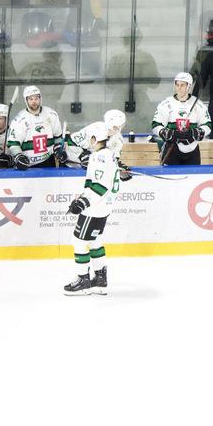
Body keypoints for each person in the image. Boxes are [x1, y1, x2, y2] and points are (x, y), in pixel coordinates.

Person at [64, 122, 132, 296]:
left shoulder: (99, 157)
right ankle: (100, 279)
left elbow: (99, 186)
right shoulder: (107, 155)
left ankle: (83, 280)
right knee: (95, 240)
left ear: (95, 139)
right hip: (103, 207)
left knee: (78, 241)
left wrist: (83, 203)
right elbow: (99, 181)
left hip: (94, 208)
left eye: (89, 138)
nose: (87, 142)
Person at [151, 72, 211, 165]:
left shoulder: (198, 105)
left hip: (192, 149)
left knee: (193, 178)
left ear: (189, 86)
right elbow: (156, 125)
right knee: (170, 177)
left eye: (182, 85)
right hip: (171, 149)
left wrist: (195, 133)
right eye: (177, 84)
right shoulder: (166, 104)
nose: (179, 88)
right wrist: (166, 133)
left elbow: (207, 125)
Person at [6, 85, 64, 169]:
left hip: (49, 161)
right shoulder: (19, 120)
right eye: (31, 99)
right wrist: (19, 156)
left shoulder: (51, 114)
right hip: (28, 164)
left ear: (40, 99)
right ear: (26, 100)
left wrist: (59, 148)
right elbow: (13, 143)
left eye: (36, 98)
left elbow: (58, 137)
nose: (34, 102)